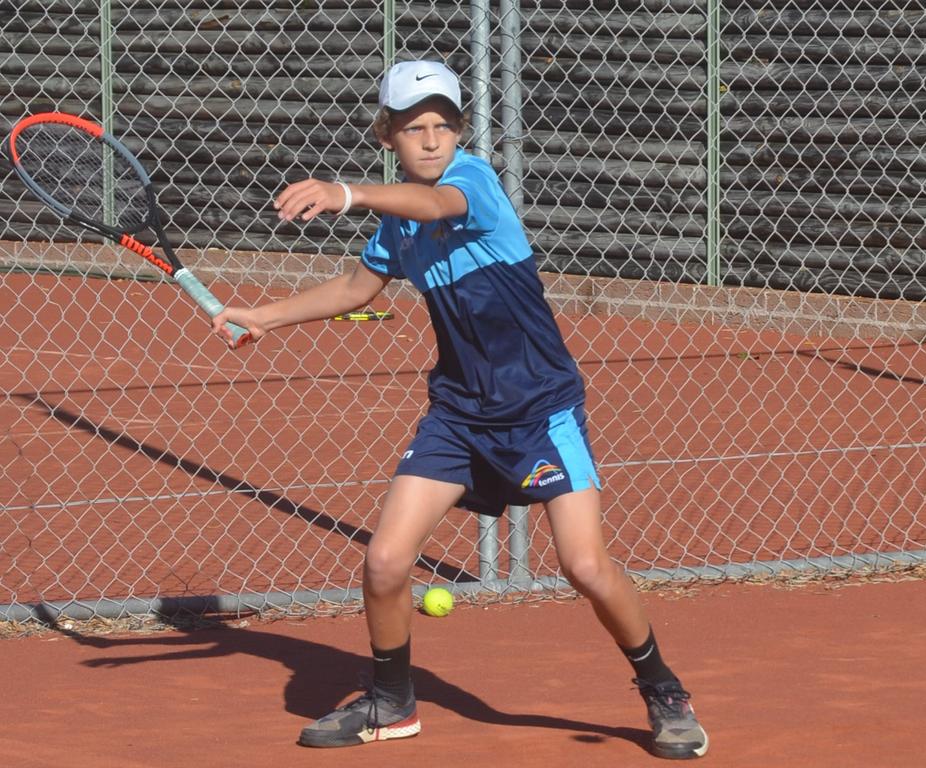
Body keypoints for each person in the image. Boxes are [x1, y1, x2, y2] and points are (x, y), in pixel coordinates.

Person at [212, 59, 708, 761]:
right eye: (415, 127)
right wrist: (265, 316)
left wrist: (345, 193)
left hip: (539, 408)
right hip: (459, 414)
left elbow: (436, 205)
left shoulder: (469, 182)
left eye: (444, 125)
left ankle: (663, 689)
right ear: (388, 134)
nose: (432, 139)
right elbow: (358, 285)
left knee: (585, 566)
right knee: (385, 561)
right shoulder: (398, 225)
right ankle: (392, 701)